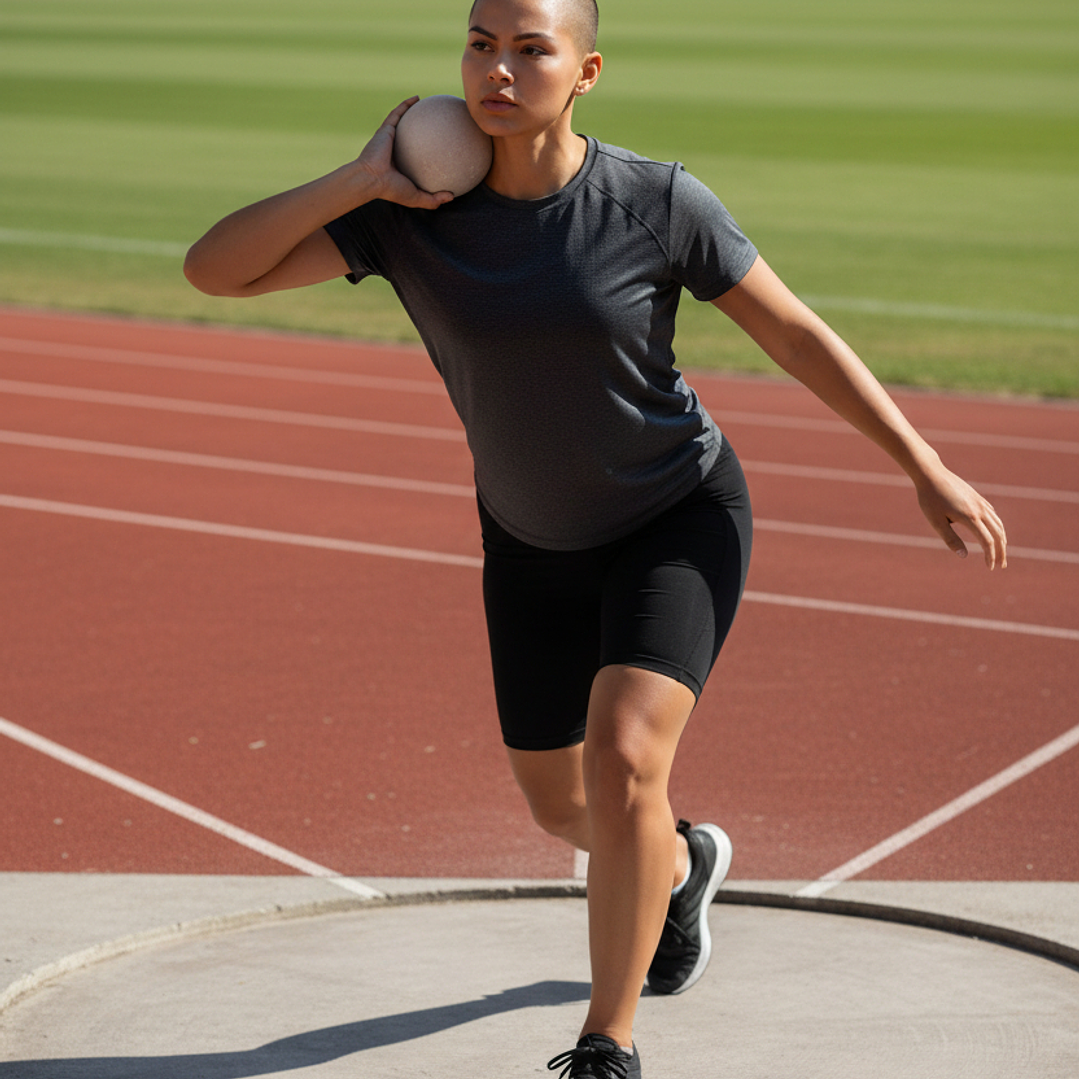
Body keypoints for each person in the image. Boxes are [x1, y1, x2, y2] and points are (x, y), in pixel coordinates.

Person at [184, 0, 1008, 1074]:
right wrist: (360, 177)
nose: (498, 68)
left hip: (675, 515)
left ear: (585, 72)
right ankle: (674, 865)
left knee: (624, 758)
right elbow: (216, 270)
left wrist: (923, 465)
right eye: (480, 44)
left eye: (531, 48)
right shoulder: (412, 214)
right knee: (561, 803)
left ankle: (604, 1042)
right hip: (527, 541)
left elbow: (794, 332)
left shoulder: (655, 201)